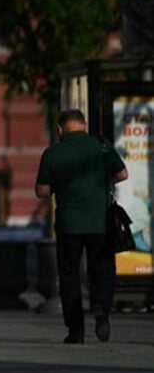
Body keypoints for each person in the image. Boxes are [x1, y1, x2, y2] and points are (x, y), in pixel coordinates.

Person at [35, 109, 128, 344]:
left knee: (69, 276)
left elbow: (42, 191)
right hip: (100, 221)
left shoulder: (52, 153)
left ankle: (76, 331)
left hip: (69, 223)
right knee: (104, 268)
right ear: (84, 125)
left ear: (59, 129)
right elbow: (122, 174)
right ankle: (100, 307)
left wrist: (59, 185)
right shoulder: (102, 146)